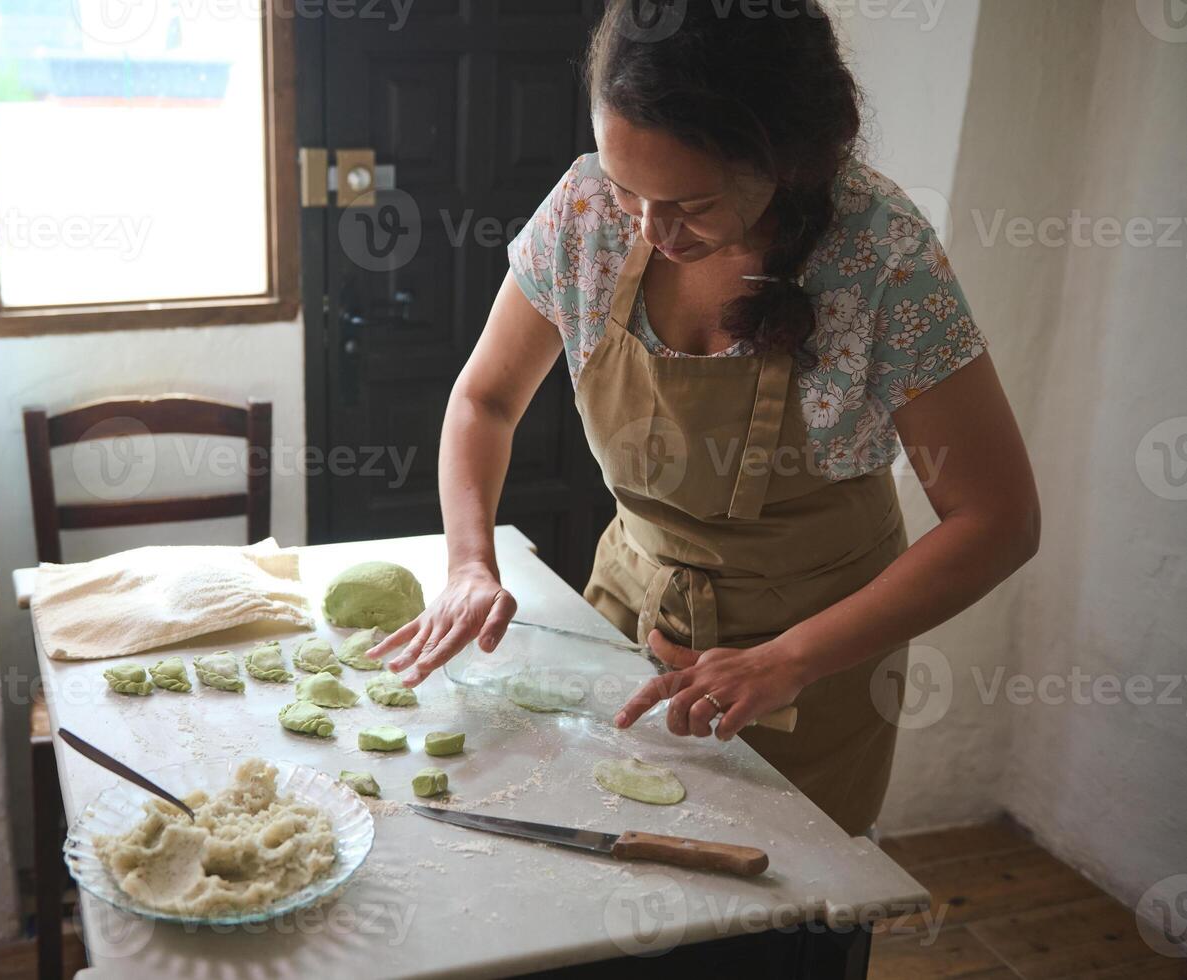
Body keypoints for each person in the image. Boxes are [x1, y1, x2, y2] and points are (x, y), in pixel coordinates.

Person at [369, 0, 1040, 835]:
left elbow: (998, 519)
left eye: (691, 202)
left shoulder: (878, 254)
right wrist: (470, 562)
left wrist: (787, 659)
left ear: (785, 159)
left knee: (780, 920)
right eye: (625, 187)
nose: (650, 228)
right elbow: (485, 399)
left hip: (812, 655)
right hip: (629, 617)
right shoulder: (586, 214)